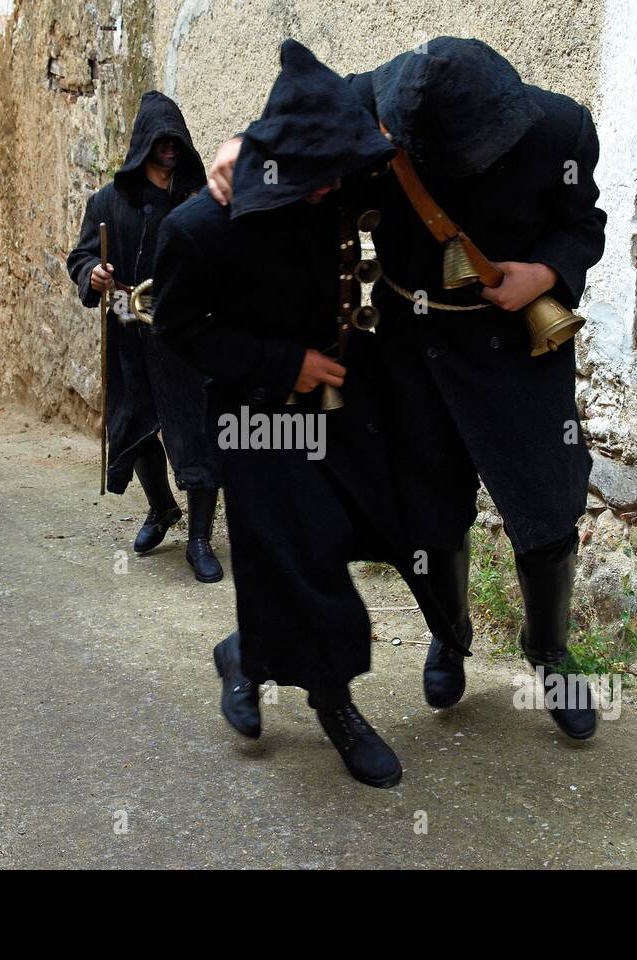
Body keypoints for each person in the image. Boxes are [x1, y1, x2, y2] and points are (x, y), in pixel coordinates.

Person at [207, 37, 608, 738]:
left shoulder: (561, 128)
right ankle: (450, 638)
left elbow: (584, 227)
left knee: (546, 506)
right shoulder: (370, 98)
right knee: (431, 508)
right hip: (410, 347)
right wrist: (240, 142)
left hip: (516, 348)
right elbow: (295, 121)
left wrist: (543, 276)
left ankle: (549, 650)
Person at [153, 39, 459, 788]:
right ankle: (336, 705)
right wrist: (282, 365)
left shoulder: (335, 187)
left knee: (351, 534)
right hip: (256, 417)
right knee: (308, 550)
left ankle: (246, 652)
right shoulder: (196, 228)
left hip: (342, 409)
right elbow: (179, 329)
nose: (335, 193)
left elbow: (388, 88)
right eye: (319, 180)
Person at [66, 92, 223, 583]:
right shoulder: (108, 201)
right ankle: (160, 509)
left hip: (185, 331)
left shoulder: (201, 198)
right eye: (161, 140)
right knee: (130, 427)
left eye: (176, 139)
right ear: (142, 145)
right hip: (127, 326)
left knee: (196, 432)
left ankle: (199, 538)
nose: (170, 147)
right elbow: (80, 257)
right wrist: (92, 272)